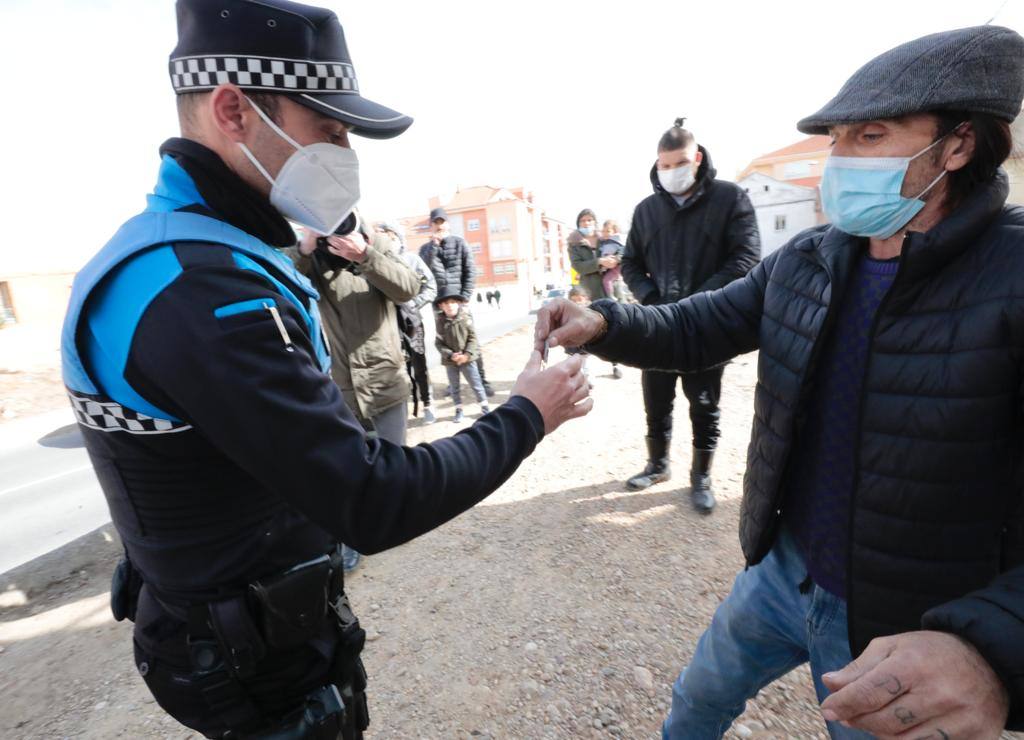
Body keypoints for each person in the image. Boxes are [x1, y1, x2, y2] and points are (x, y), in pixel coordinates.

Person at [59, 1, 593, 737]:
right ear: (232, 109)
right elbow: (373, 498)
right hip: (252, 666)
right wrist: (528, 412)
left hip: (245, 629)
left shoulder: (181, 252)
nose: (346, 154)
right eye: (328, 129)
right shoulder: (200, 288)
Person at [536, 25, 1024, 740]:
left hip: (909, 623)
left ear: (957, 145)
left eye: (870, 136)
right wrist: (603, 322)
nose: (839, 160)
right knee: (697, 703)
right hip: (782, 573)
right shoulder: (809, 259)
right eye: (838, 138)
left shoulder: (1013, 277)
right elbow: (697, 326)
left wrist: (992, 648)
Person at [620, 119, 760, 514]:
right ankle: (657, 464)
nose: (670, 172)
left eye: (678, 163)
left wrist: (698, 303)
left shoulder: (730, 199)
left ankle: (701, 477)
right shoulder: (647, 210)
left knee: (704, 404)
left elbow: (747, 258)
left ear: (696, 158)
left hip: (706, 327)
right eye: (663, 166)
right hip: (658, 326)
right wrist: (650, 299)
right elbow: (630, 262)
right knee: (656, 400)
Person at [419, 207, 495, 397]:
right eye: (436, 222)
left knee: (470, 340)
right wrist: (434, 247)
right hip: (438, 304)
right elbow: (423, 273)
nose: (439, 226)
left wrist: (466, 297)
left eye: (442, 222)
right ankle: (453, 385)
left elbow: (470, 270)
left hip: (460, 303)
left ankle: (482, 381)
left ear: (448, 223)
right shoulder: (425, 249)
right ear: (432, 225)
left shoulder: (460, 243)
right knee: (446, 342)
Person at [376, 221, 439, 425]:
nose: (387, 239)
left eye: (390, 235)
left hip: (411, 321)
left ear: (397, 237)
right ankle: (402, 407)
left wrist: (413, 303)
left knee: (419, 363)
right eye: (382, 235)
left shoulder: (412, 259)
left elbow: (430, 287)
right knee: (396, 367)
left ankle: (428, 403)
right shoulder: (374, 261)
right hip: (385, 324)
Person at [568, 209, 623, 379]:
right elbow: (579, 266)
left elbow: (621, 249)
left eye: (590, 220)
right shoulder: (574, 244)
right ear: (579, 224)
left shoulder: (604, 237)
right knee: (588, 331)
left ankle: (616, 364)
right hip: (588, 292)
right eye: (584, 220)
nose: (587, 223)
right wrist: (599, 262)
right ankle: (585, 370)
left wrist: (616, 259)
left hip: (610, 289)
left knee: (614, 328)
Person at [435, 293, 490, 423]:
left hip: (467, 360)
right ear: (441, 306)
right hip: (450, 361)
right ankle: (459, 410)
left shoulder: (466, 318)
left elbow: (473, 339)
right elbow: (438, 343)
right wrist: (450, 355)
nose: (449, 306)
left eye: (453, 302)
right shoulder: (440, 322)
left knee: (476, 384)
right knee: (454, 387)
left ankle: (485, 408)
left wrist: (466, 355)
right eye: (446, 303)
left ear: (458, 304)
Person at [597, 219, 625, 300]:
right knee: (606, 279)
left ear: (614, 231)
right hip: (611, 267)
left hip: (616, 267)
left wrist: (614, 258)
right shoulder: (606, 241)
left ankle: (610, 296)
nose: (605, 233)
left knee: (606, 280)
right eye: (603, 231)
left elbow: (619, 251)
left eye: (608, 231)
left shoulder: (615, 241)